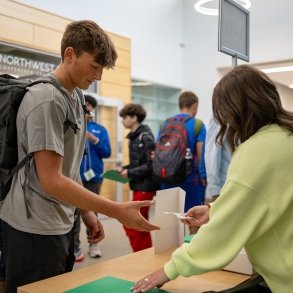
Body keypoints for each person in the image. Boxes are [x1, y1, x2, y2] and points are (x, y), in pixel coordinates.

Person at [0, 20, 159, 292]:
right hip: (33, 227)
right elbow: (51, 180)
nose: (98, 76)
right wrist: (116, 210)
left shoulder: (74, 96)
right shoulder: (46, 99)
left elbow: (69, 167)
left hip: (61, 221)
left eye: (102, 69)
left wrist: (86, 212)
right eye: (94, 66)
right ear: (70, 54)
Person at [131, 65, 293, 293]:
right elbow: (269, 196)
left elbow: (223, 231)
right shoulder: (285, 136)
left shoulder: (257, 150)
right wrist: (215, 209)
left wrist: (170, 269)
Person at [160, 91, 206, 235]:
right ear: (195, 105)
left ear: (180, 105)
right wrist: (203, 177)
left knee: (170, 218)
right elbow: (200, 154)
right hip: (190, 179)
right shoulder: (197, 124)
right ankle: (190, 250)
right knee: (194, 217)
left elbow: (159, 152)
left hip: (167, 178)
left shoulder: (165, 124)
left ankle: (170, 253)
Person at [74, 94, 111, 261]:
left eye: (89, 105)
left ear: (92, 108)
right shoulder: (73, 124)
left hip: (93, 177)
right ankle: (74, 247)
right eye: (84, 104)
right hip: (73, 177)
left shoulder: (100, 129)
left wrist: (94, 139)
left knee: (92, 211)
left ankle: (94, 244)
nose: (86, 107)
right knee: (73, 213)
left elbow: (107, 152)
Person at [118, 104, 158, 252]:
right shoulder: (134, 138)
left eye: (125, 117)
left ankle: (141, 254)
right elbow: (139, 163)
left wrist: (129, 173)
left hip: (146, 187)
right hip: (139, 186)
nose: (122, 121)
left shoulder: (145, 137)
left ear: (134, 118)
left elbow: (151, 165)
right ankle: (146, 253)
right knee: (140, 223)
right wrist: (126, 169)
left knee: (132, 223)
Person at [205, 117, 231, 202]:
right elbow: (212, 156)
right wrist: (214, 191)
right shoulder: (220, 114)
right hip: (225, 188)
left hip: (233, 187)